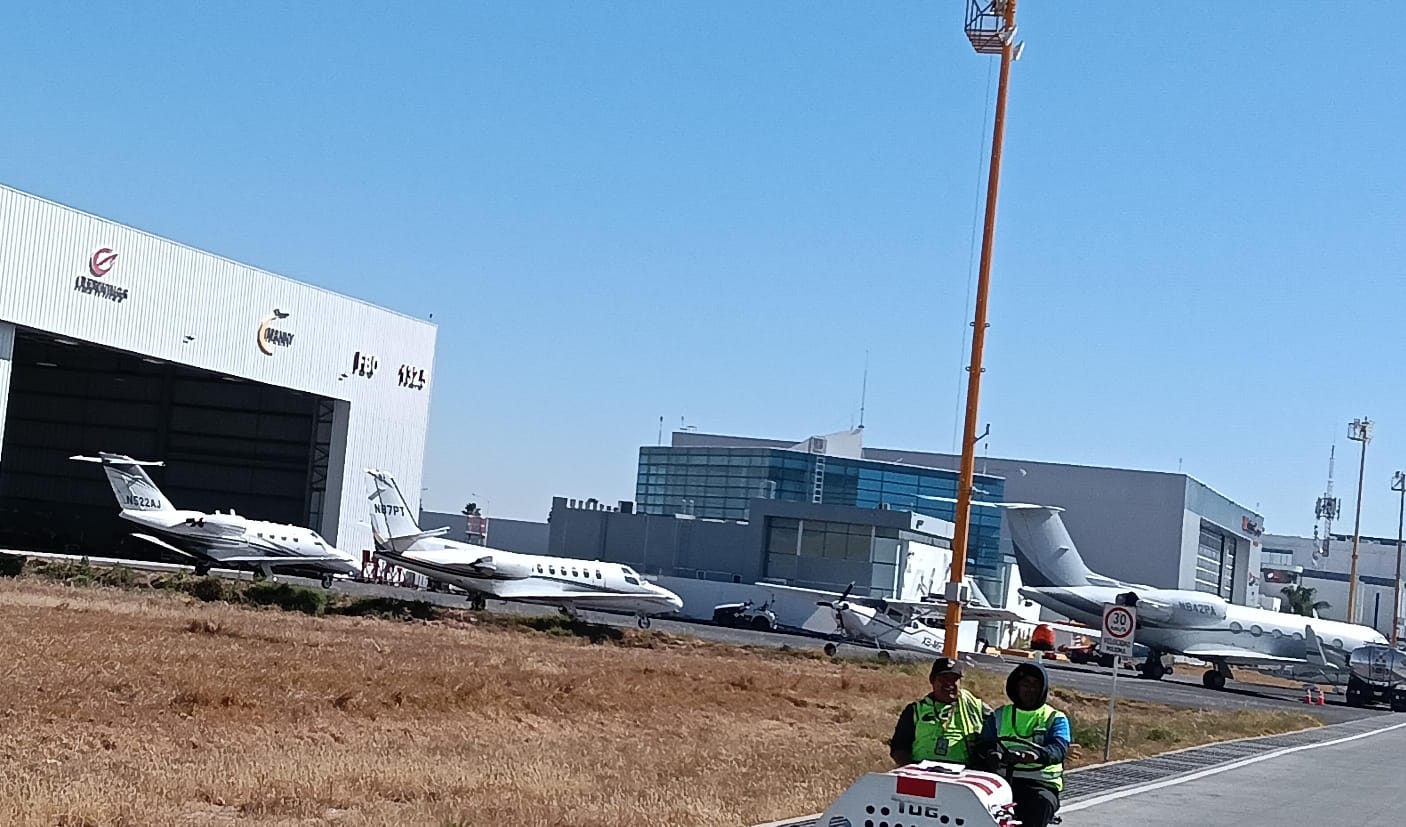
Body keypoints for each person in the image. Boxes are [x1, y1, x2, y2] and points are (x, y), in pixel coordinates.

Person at [975, 662, 1070, 827]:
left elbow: (1058, 749)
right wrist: (991, 754)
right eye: (1025, 684)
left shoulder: (1056, 718)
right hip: (1003, 782)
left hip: (1041, 785)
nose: (1030, 689)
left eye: (1035, 685)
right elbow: (984, 743)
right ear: (1016, 687)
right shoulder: (999, 715)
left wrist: (1035, 756)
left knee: (1040, 804)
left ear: (1043, 689)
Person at [889, 657, 991, 766]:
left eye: (954, 679)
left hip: (962, 774)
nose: (949, 684)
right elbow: (899, 748)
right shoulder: (915, 710)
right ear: (932, 680)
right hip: (921, 772)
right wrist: (913, 770)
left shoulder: (977, 708)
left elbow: (990, 744)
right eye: (944, 678)